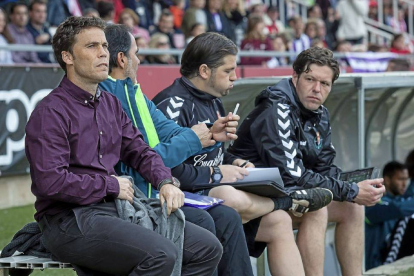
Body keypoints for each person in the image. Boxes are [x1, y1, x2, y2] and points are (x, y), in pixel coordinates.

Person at [25, 16, 222, 276]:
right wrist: (111, 185)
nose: (103, 53)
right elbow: (50, 182)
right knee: (161, 254)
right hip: (67, 219)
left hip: (112, 210)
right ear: (68, 57)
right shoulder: (50, 112)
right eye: (92, 46)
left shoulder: (109, 103)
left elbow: (140, 151)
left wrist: (164, 182)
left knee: (208, 247)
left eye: (105, 46)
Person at [153, 32, 333, 276]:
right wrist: (216, 174)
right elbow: (164, 168)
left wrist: (234, 161)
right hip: (186, 198)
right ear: (205, 71)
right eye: (228, 71)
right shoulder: (172, 104)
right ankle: (288, 199)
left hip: (211, 189)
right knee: (230, 195)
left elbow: (211, 155)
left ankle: (285, 202)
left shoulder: (213, 100)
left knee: (280, 222)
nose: (234, 77)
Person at [99, 23, 253, 276]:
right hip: (139, 200)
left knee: (227, 217)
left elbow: (170, 131)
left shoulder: (134, 93)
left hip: (159, 195)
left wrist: (208, 133)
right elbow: (144, 159)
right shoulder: (110, 99)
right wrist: (203, 152)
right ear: (121, 58)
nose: (139, 60)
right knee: (209, 223)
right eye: (136, 53)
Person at [228, 47, 385, 276]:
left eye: (325, 84)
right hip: (252, 201)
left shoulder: (319, 113)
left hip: (283, 195)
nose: (316, 89)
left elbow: (325, 167)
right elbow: (293, 175)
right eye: (310, 79)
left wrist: (356, 188)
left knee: (352, 208)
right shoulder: (276, 108)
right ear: (295, 77)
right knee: (317, 206)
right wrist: (350, 190)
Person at [365, 161, 413, 270]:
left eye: (406, 179)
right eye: (400, 179)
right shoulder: (374, 203)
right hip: (376, 265)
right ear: (387, 180)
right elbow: (397, 209)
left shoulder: (402, 200)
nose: (404, 184)